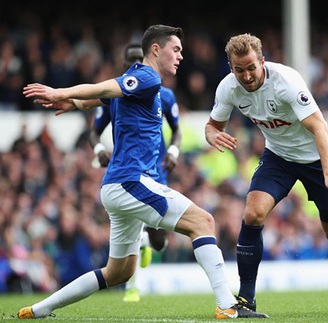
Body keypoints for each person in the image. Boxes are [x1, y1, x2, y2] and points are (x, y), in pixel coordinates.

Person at [19, 24, 268, 319]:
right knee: (203, 221)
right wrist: (61, 91)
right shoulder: (147, 76)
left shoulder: (141, 83)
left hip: (117, 185)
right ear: (155, 49)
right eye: (175, 50)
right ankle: (227, 304)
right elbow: (104, 88)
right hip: (130, 180)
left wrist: (73, 103)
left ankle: (38, 309)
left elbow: (101, 98)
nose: (180, 56)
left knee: (118, 272)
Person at [205, 33, 328, 313]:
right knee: (252, 213)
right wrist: (212, 135)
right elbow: (213, 125)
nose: (247, 75)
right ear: (231, 68)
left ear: (262, 61)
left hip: (315, 158)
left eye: (252, 67)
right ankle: (246, 300)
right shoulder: (228, 88)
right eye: (239, 70)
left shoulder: (286, 82)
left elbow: (321, 128)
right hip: (278, 157)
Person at [89, 43, 180, 302]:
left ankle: (148, 245)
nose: (134, 63)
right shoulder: (115, 95)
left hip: (157, 169)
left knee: (159, 241)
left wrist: (173, 151)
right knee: (133, 226)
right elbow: (94, 130)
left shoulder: (165, 94)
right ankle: (132, 288)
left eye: (138, 58)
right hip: (128, 170)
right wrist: (98, 149)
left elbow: (178, 130)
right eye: (130, 60)